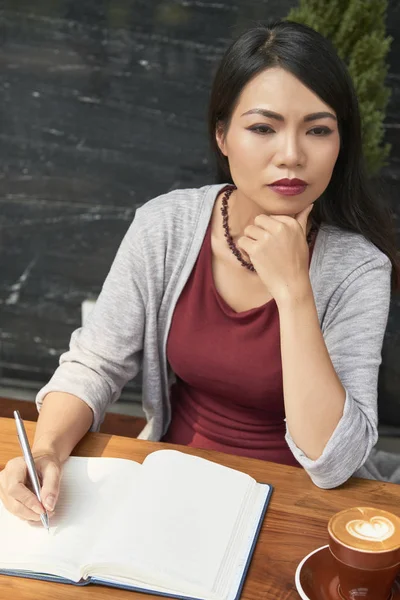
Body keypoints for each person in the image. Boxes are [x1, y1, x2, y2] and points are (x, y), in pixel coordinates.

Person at [1, 21, 399, 523]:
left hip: (298, 507)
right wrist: (47, 451)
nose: (292, 154)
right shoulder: (165, 226)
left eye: (318, 129)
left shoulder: (359, 269)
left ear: (340, 143)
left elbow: (334, 463)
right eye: (262, 128)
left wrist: (295, 290)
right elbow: (96, 363)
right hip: (173, 482)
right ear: (222, 135)